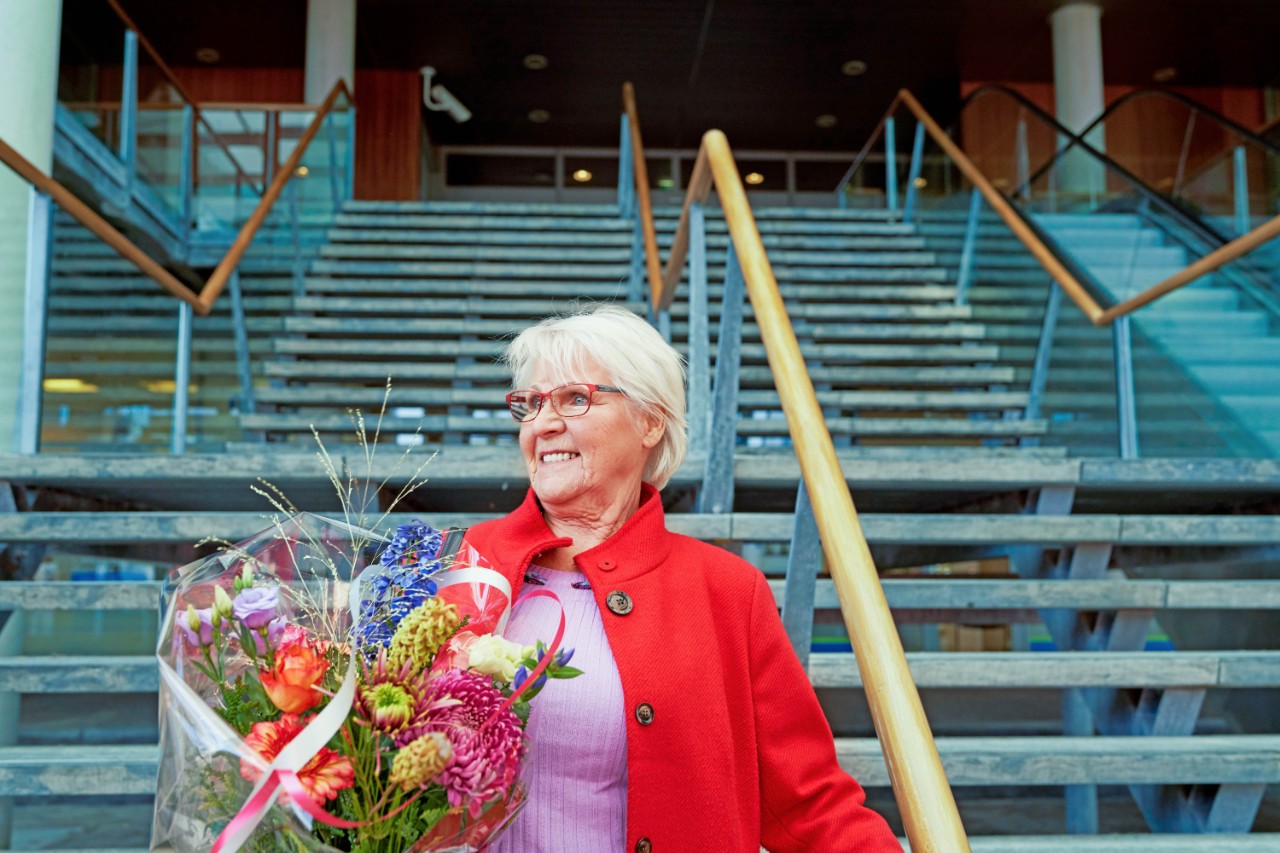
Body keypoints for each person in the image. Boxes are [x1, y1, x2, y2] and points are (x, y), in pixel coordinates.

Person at [467, 305, 901, 852]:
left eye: (575, 399)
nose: (543, 423)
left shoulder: (726, 591)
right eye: (529, 405)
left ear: (651, 420)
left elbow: (808, 801)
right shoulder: (461, 564)